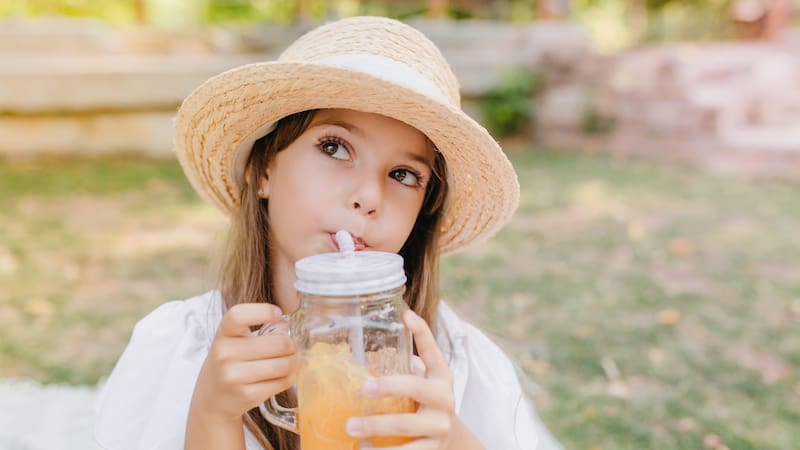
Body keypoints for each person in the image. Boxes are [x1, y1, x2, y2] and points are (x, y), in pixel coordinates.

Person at [94, 16, 562, 450]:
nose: (367, 196)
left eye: (403, 175)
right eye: (334, 147)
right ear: (264, 171)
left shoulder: (457, 364)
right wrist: (214, 414)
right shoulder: (180, 349)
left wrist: (450, 437)